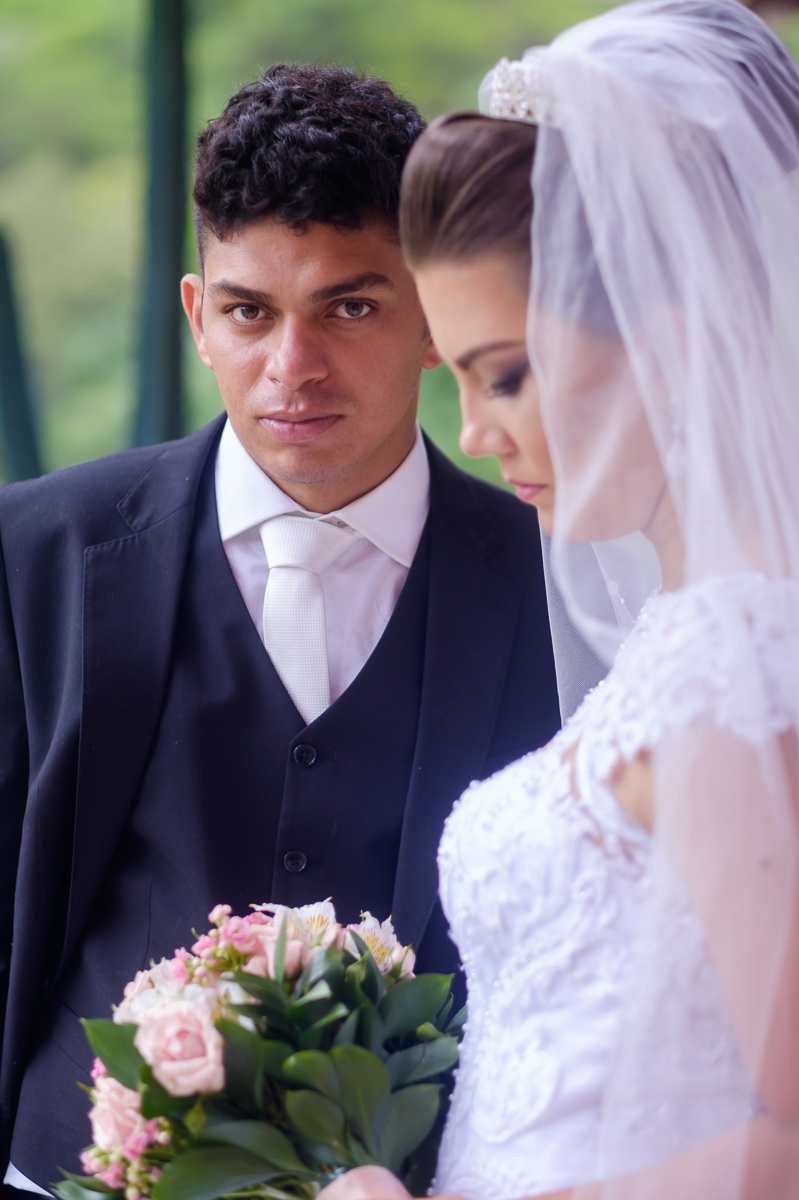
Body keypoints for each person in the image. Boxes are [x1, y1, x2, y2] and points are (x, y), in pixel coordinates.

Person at [0, 65, 566, 1195]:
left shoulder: (554, 584)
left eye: (349, 307)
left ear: (431, 322)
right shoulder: (34, 552)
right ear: (195, 318)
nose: (289, 368)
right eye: (247, 311)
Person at [320, 1, 799, 1197]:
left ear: (671, 334)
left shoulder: (732, 657)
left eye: (509, 374)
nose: (474, 436)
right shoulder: (679, 641)